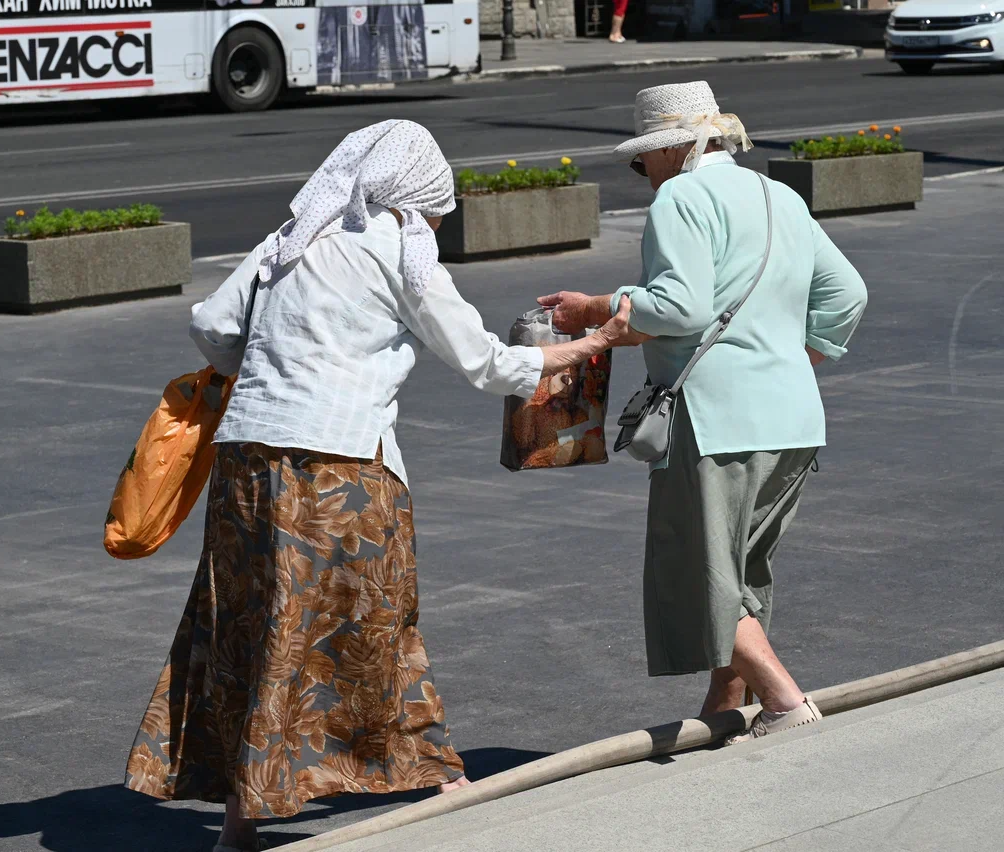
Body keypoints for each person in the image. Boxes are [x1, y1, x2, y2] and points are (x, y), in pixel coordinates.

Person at [123, 119, 643, 852]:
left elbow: (212, 326)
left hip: (245, 459)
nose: (436, 220)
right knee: (371, 620)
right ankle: (430, 776)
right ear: (418, 195)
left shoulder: (292, 237)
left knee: (253, 623)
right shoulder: (403, 244)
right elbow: (480, 359)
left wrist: (279, 361)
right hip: (339, 465)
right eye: (437, 206)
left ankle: (248, 816)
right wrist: (580, 349)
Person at [540, 82, 867, 742]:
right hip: (796, 419)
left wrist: (597, 307)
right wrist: (796, 362)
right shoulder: (781, 197)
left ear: (673, 148)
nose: (644, 174)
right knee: (742, 573)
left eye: (644, 159)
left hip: (715, 420)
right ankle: (726, 707)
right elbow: (847, 294)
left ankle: (783, 702)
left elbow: (679, 307)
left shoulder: (682, 198)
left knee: (697, 576)